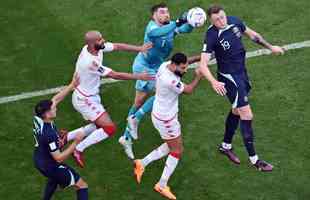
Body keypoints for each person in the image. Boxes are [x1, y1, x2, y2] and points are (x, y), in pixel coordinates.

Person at [199, 4, 285, 171]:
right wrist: (213, 82)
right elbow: (203, 65)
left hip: (241, 73)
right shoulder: (211, 35)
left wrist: (270, 47)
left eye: (222, 17)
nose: (221, 21)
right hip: (229, 78)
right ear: (211, 21)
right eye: (217, 20)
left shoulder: (234, 21)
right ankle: (255, 161)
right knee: (247, 114)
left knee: (237, 111)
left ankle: (225, 146)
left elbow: (253, 35)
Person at [119, 2, 200, 159]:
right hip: (144, 67)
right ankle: (135, 119)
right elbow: (158, 34)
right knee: (161, 94)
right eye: (162, 12)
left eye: (168, 12)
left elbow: (184, 29)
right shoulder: (152, 28)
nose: (166, 14)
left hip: (157, 67)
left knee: (138, 102)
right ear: (154, 15)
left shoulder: (169, 25)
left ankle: (126, 137)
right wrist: (177, 22)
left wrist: (191, 21)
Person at [67, 30, 154, 168]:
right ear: (92, 43)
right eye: (100, 40)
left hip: (90, 97)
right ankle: (78, 149)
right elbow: (114, 74)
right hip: (85, 100)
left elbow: (118, 46)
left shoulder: (93, 49)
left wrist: (140, 48)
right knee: (109, 128)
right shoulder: (90, 62)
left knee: (98, 125)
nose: (103, 41)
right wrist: (139, 77)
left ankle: (66, 137)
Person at [133, 53, 202, 200]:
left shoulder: (165, 65)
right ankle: (161, 185)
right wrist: (199, 76)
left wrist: (199, 57)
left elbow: (186, 60)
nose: (185, 71)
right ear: (175, 65)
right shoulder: (169, 79)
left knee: (171, 145)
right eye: (183, 68)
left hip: (160, 115)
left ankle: (142, 163)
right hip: (167, 120)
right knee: (177, 150)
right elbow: (188, 90)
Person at [33, 75, 89, 200]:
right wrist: (76, 142)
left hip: (39, 159)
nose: (56, 107)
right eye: (53, 108)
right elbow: (58, 158)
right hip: (50, 165)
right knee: (82, 186)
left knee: (54, 179)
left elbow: (56, 99)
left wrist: (71, 86)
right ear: (47, 114)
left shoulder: (39, 118)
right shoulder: (49, 134)